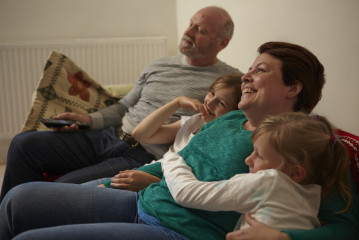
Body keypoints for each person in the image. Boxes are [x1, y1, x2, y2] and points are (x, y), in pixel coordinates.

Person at [0, 41, 358, 240]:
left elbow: (346, 226)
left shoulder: (308, 142)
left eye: (261, 70)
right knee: (17, 200)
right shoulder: (231, 117)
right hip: (142, 198)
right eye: (249, 68)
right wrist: (121, 180)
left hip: (179, 230)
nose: (246, 75)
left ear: (293, 88)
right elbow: (182, 155)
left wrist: (284, 239)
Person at [0, 6, 242, 201]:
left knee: (58, 191)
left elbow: (232, 120)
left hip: (141, 155)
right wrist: (89, 120)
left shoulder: (225, 85)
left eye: (200, 30)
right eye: (190, 23)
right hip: (108, 136)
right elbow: (125, 105)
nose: (188, 31)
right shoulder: (159, 65)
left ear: (222, 43)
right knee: (23, 144)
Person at [161, 112, 352, 232]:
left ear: (295, 173)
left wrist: (171, 159)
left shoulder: (270, 182)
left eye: (259, 155)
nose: (248, 160)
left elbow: (186, 193)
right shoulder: (311, 196)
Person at [98, 73, 243, 190]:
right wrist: (177, 103)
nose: (210, 102)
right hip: (147, 170)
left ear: (234, 114)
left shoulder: (221, 141)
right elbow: (141, 134)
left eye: (221, 103)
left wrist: (153, 182)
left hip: (159, 183)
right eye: (211, 93)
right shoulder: (195, 121)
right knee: (83, 190)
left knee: (91, 194)